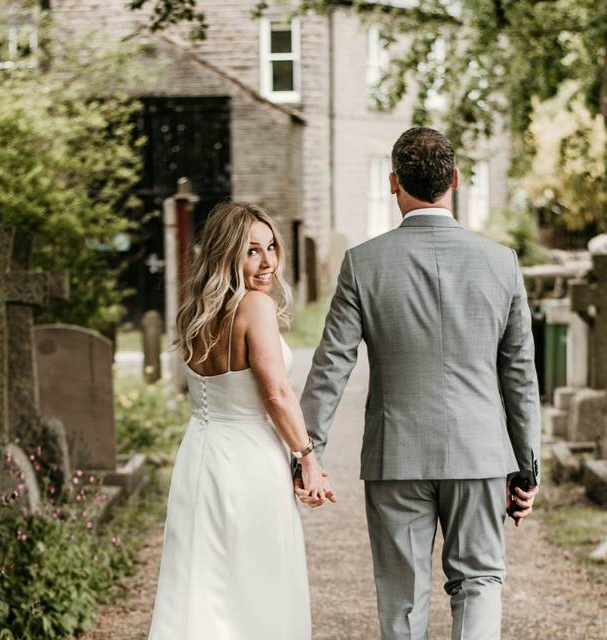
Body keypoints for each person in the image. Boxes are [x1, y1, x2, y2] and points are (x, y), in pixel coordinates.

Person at [299, 127, 541, 640]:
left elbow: (332, 364)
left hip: (397, 456)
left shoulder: (363, 264)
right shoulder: (502, 263)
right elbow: (519, 373)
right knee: (479, 581)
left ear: (393, 183)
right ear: (454, 180)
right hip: (479, 454)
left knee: (402, 597)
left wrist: (308, 451)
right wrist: (526, 467)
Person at [148, 201, 334, 639]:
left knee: (201, 583)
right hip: (251, 461)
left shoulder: (197, 310)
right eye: (252, 250)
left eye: (271, 247)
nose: (268, 261)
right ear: (226, 254)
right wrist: (307, 456)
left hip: (200, 456)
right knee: (256, 586)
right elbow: (276, 393)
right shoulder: (255, 307)